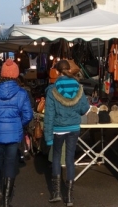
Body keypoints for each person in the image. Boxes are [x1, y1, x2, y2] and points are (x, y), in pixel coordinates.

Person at [0, 59, 32, 207]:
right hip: (13, 133)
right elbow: (28, 115)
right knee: (11, 164)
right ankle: (6, 200)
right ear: (16, 74)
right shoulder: (22, 93)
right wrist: (19, 124)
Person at [44, 60, 89, 207]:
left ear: (57, 71)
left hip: (58, 129)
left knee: (56, 158)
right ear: (69, 70)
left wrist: (48, 137)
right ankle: (69, 197)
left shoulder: (52, 90)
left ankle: (56, 194)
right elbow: (84, 109)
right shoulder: (79, 87)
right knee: (70, 160)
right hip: (74, 128)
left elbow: (49, 115)